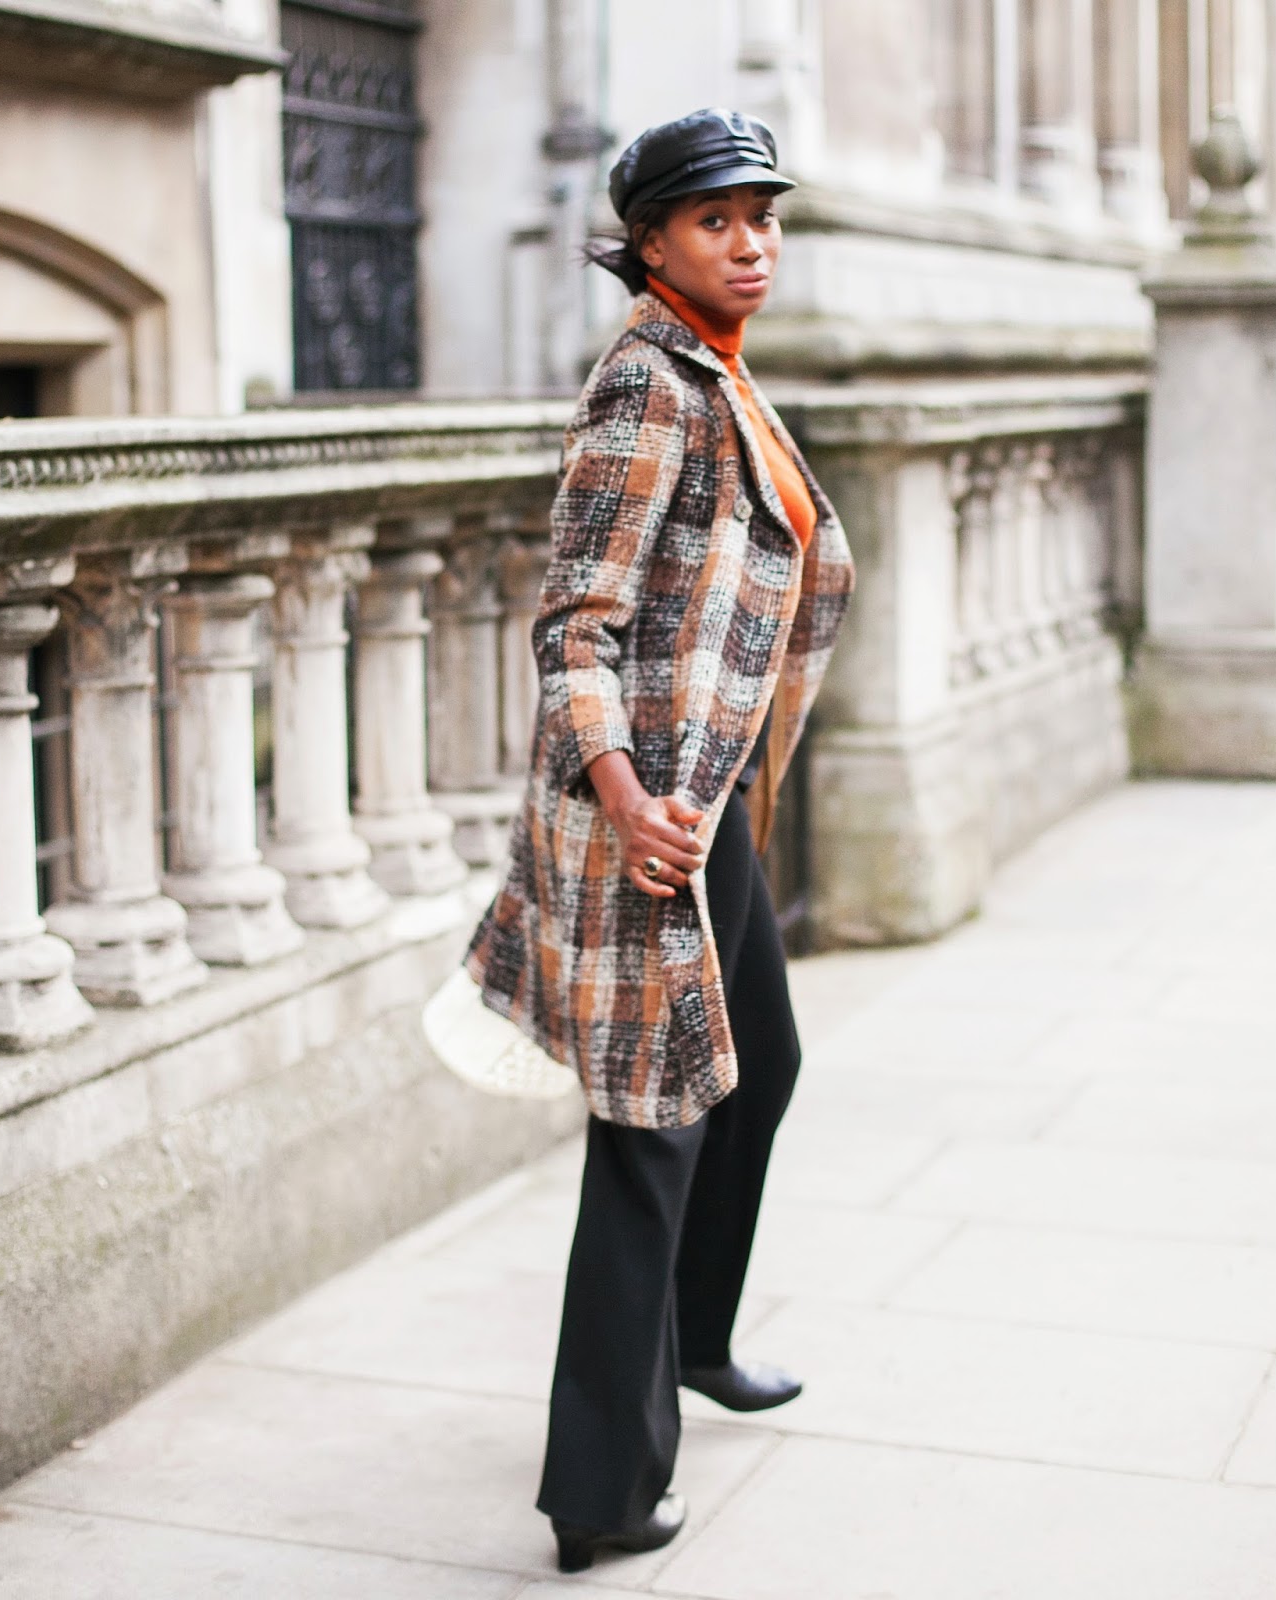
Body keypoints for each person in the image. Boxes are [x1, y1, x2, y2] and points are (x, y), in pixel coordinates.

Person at [463, 107, 855, 1574]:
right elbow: (576, 624)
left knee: (764, 1064)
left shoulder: (715, 366)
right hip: (650, 818)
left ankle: (691, 1341)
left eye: (765, 216)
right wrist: (627, 800)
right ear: (652, 243)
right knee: (653, 1123)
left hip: (706, 801)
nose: (751, 244)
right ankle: (602, 1491)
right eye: (716, 221)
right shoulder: (646, 384)